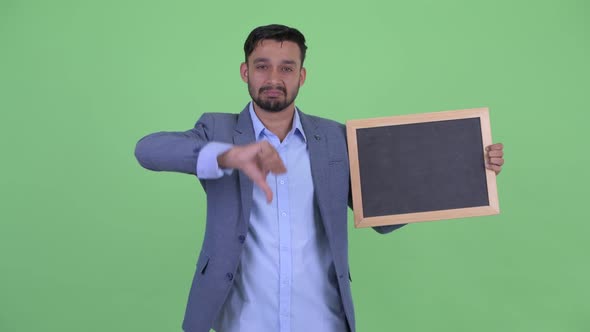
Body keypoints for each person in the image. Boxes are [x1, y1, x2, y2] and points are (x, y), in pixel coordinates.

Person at [134, 24, 505, 332]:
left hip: (322, 320)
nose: (274, 78)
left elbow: (383, 214)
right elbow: (148, 150)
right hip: (241, 322)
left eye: (287, 67)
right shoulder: (217, 129)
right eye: (262, 66)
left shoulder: (335, 139)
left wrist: (466, 165)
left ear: (302, 75)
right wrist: (229, 155)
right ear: (245, 71)